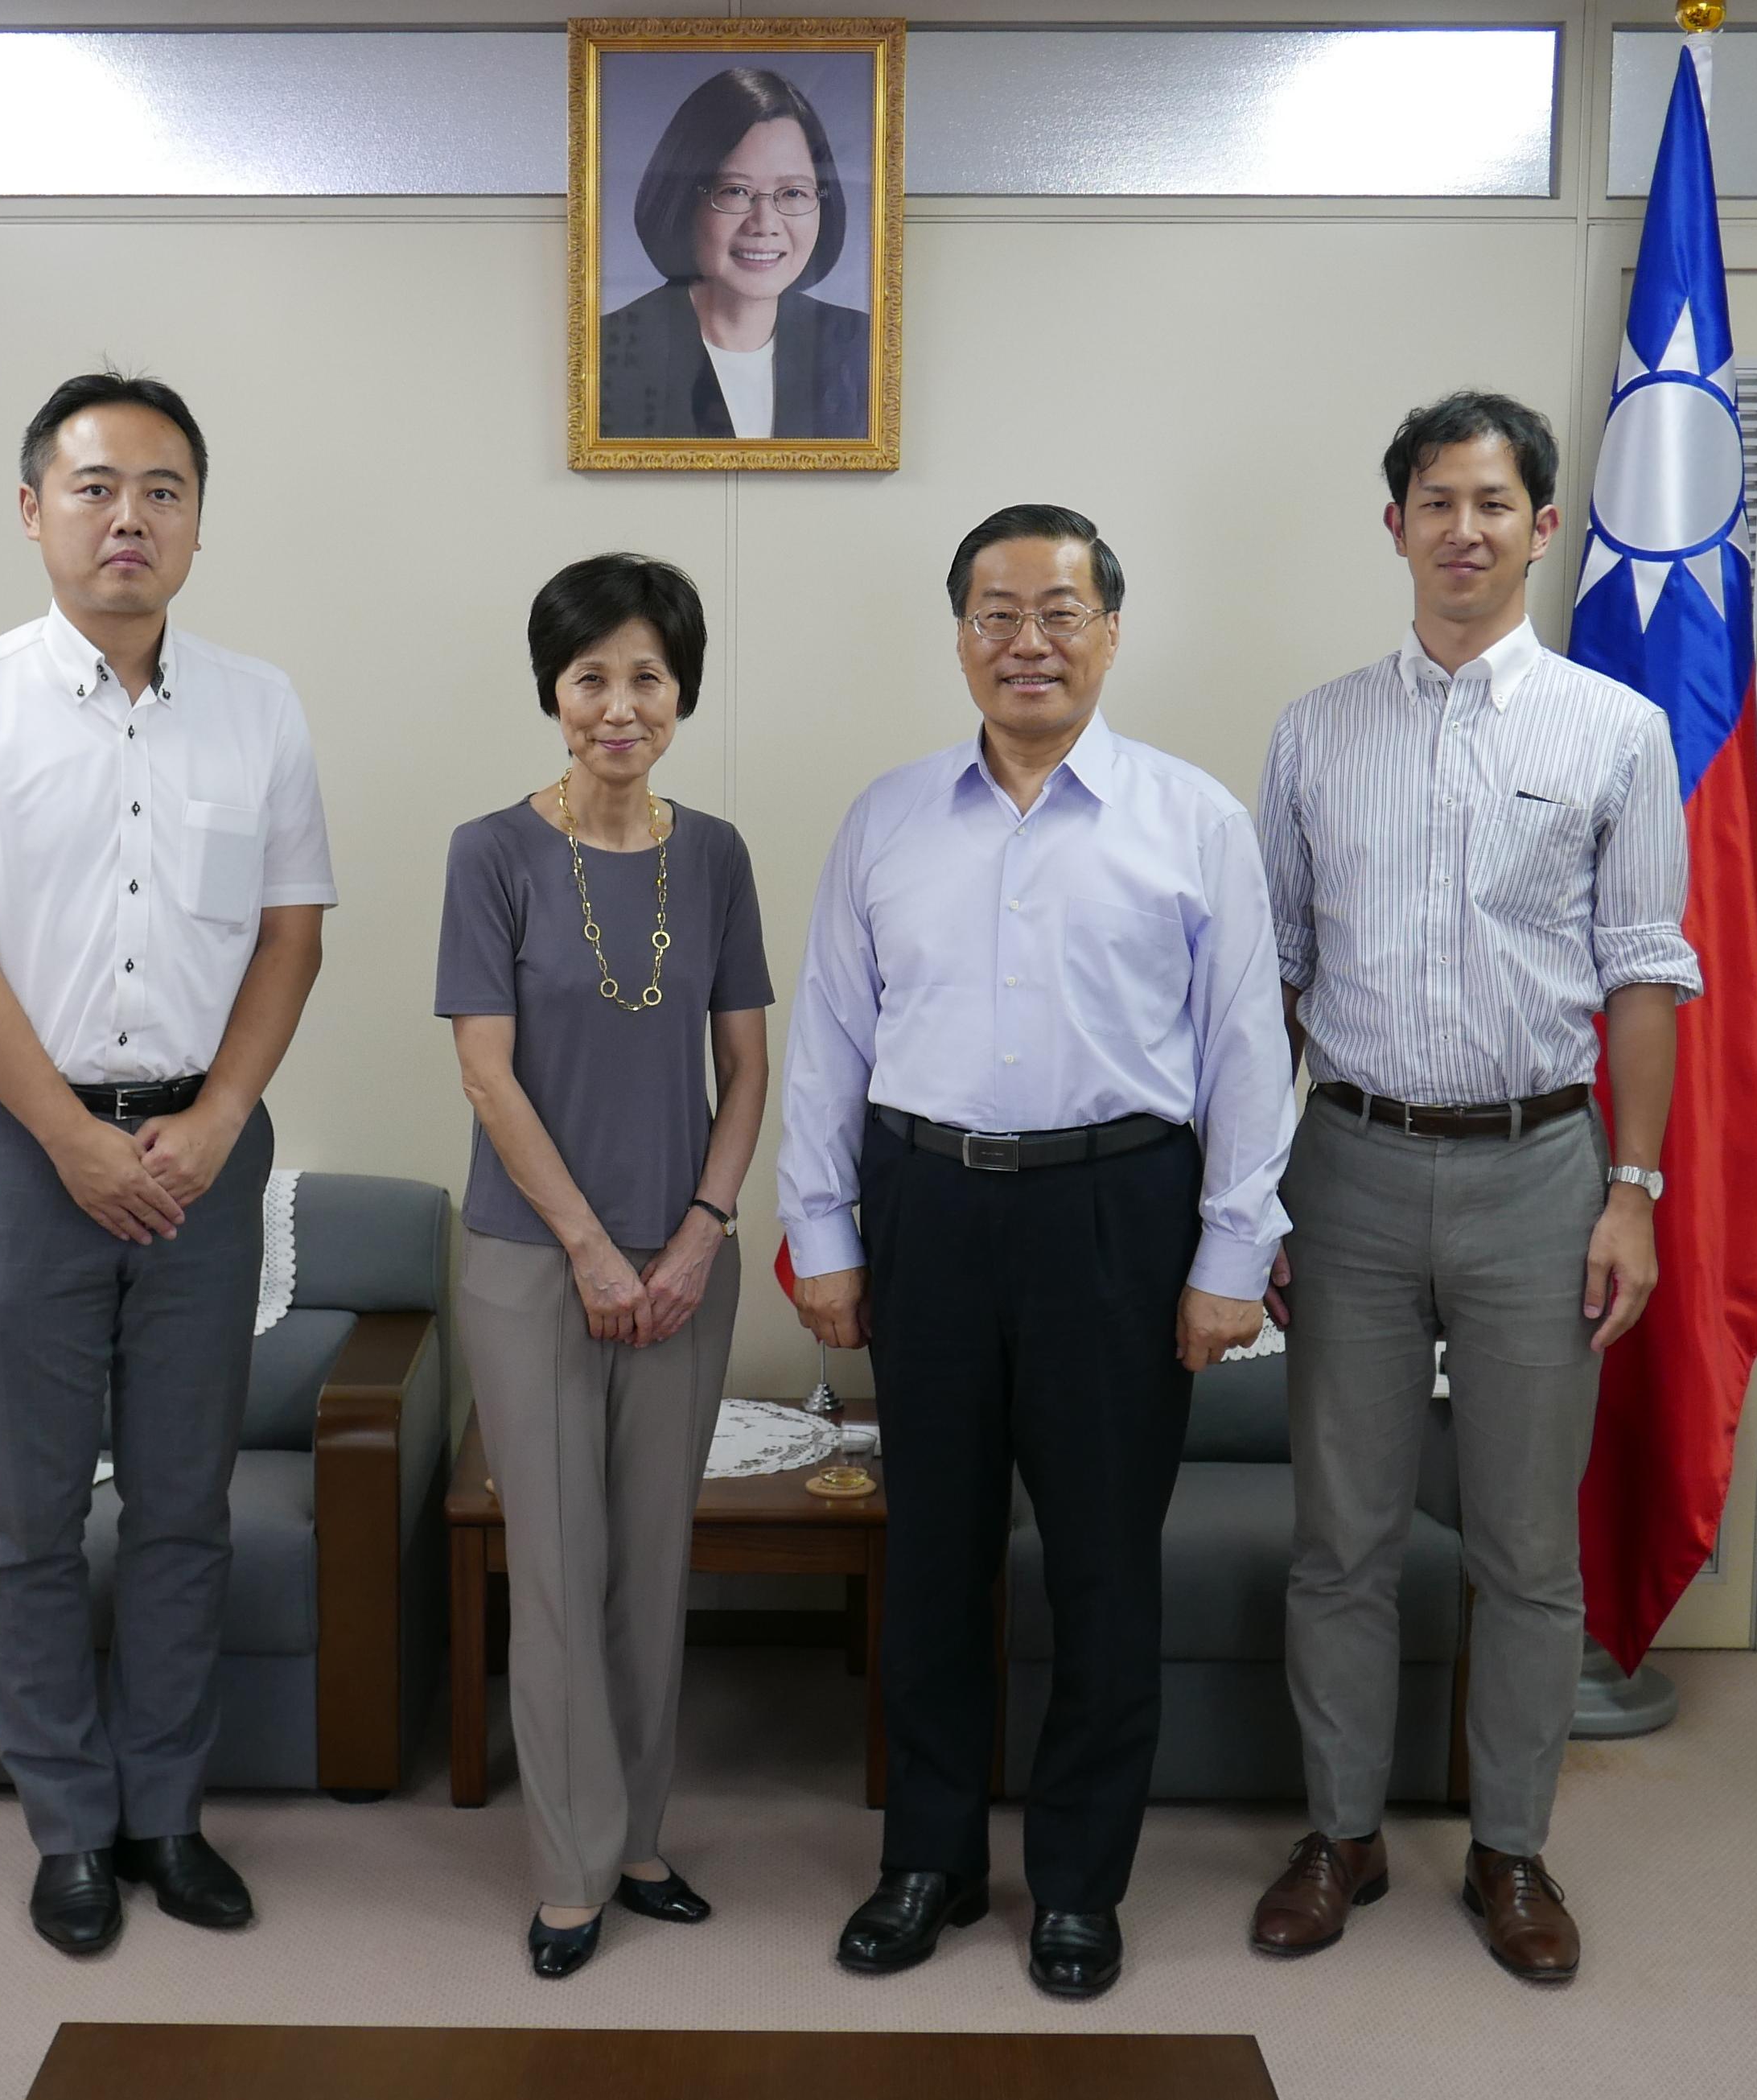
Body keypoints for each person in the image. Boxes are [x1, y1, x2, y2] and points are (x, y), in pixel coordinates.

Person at [778, 505, 1295, 2002]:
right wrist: (823, 1233)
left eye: (1060, 611)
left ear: (1111, 633)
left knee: (1104, 1571)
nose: (1028, 642)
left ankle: (1077, 1883)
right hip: (926, 1207)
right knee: (933, 1556)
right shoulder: (886, 818)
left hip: (1118, 1213)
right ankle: (928, 1861)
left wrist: (1229, 1256)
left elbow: (1246, 1051)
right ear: (960, 638)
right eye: (996, 613)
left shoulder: (1193, 819)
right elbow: (829, 1039)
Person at [0, 372, 334, 1956]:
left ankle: (166, 1814)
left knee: (182, 1505)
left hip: (204, 1148)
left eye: (162, 490)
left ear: (196, 522)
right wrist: (73, 1143)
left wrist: (212, 1125)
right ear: (34, 512)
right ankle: (69, 1829)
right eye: (93, 488)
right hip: (22, 1151)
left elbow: (290, 938)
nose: (127, 517)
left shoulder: (259, 707)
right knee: (25, 1514)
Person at [1249, 393, 1700, 1985]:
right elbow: (1270, 981)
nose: (1463, 530)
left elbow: (1643, 973)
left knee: (1524, 1549)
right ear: (1395, 527)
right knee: (1341, 1540)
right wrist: (1257, 1194)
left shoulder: (1614, 731)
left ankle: (1510, 1849)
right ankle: (1340, 1833)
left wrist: (1631, 1191)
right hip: (1350, 1170)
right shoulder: (1313, 733)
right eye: (1434, 502)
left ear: (1542, 526)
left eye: (1493, 504)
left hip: (1541, 1174)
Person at [435, 553, 772, 1979]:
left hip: (683, 1262)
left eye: (647, 676)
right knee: (561, 1573)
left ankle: (640, 1840)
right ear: (553, 693)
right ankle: (569, 1874)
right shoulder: (492, 853)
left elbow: (746, 1068)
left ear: (680, 693)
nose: (619, 705)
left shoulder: (719, 856)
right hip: (533, 1262)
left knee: (652, 1563)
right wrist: (587, 1246)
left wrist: (699, 1231)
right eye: (591, 678)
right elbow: (487, 1074)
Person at [599, 67, 869, 443]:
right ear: (683, 202)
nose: (764, 224)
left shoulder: (862, 346)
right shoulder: (606, 353)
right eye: (735, 191)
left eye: (793, 193)